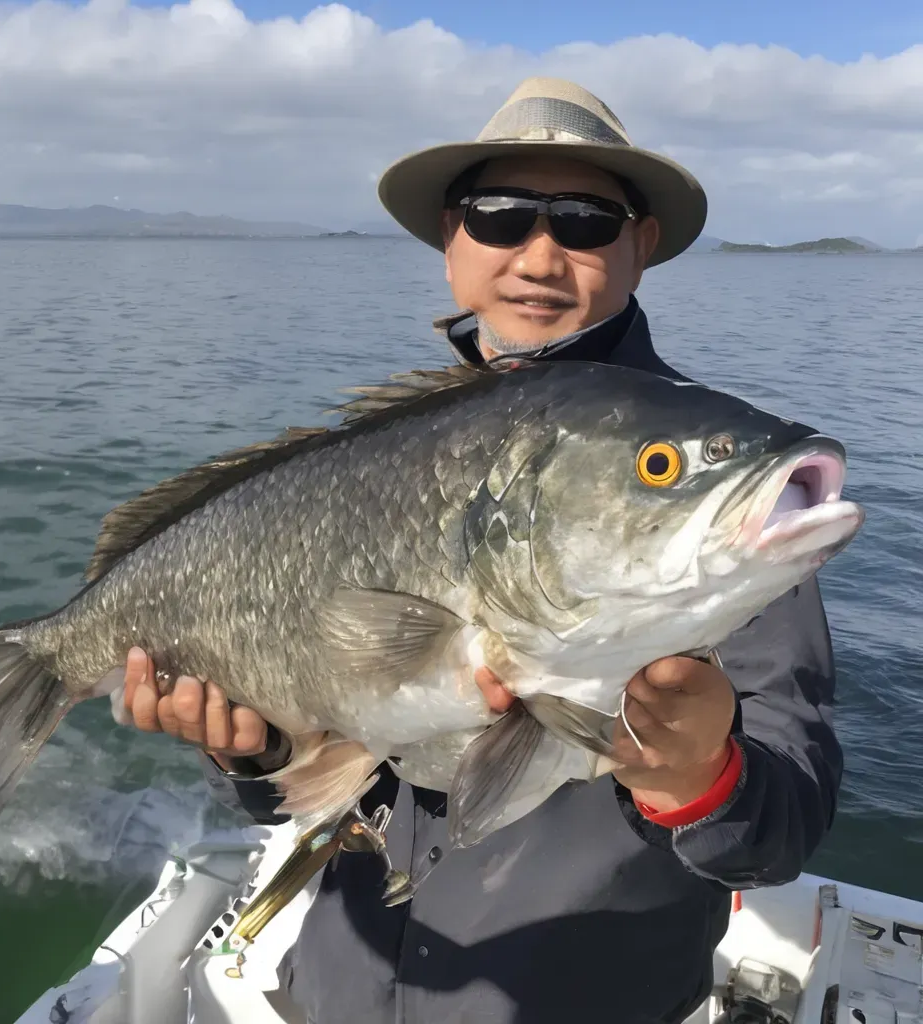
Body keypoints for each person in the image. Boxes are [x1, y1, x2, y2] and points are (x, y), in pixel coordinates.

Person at [118, 77, 843, 1024]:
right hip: (336, 989)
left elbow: (782, 823)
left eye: (585, 220)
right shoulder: (377, 456)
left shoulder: (714, 523)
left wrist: (699, 776)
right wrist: (256, 753)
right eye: (500, 216)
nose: (540, 254)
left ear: (641, 243)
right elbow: (313, 777)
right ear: (451, 241)